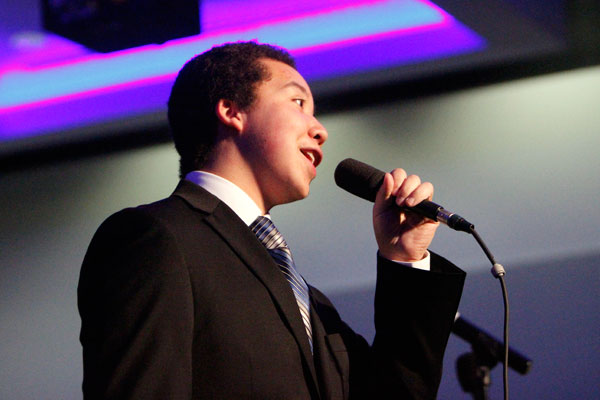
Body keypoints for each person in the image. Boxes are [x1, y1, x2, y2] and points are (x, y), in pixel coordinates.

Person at [78, 41, 465, 400]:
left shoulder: (308, 300)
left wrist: (405, 259)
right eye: (298, 102)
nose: (320, 130)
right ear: (232, 111)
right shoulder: (155, 237)